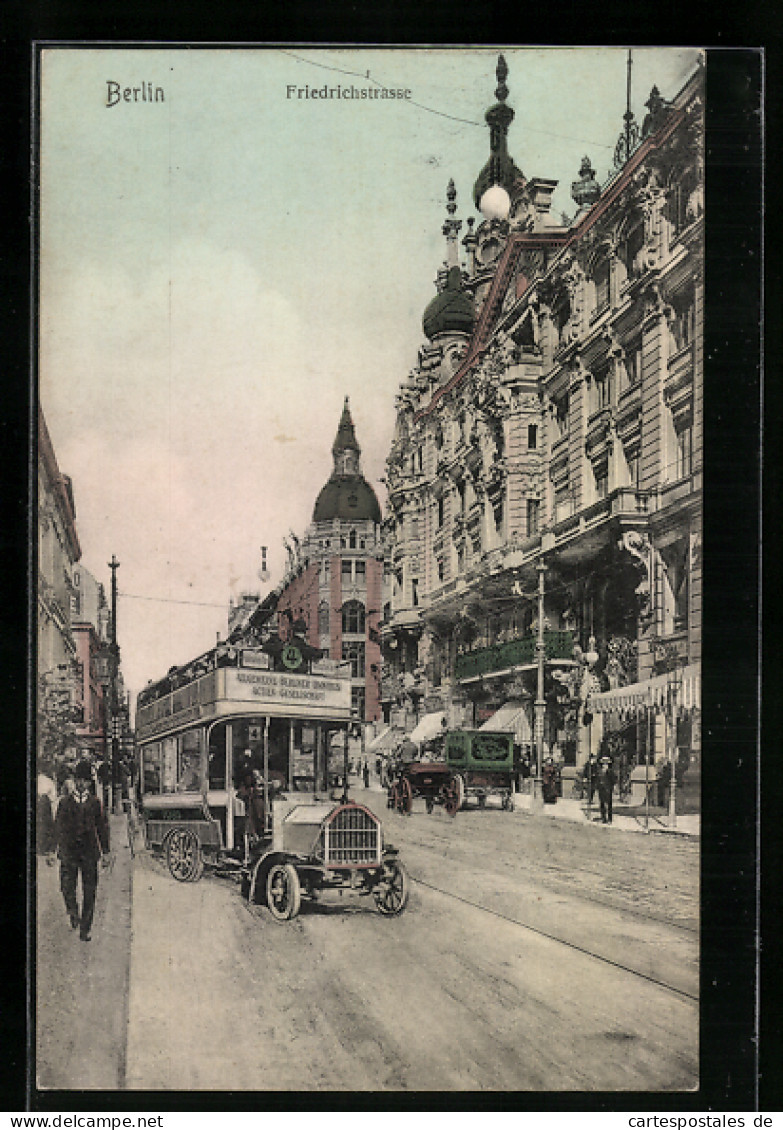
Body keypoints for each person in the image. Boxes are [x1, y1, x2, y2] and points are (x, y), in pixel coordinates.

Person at [54, 759, 110, 941]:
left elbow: (102, 827)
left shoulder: (95, 803)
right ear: (74, 780)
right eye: (78, 780)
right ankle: (73, 912)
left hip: (89, 852)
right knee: (66, 887)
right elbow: (57, 827)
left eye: (84, 781)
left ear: (89, 783)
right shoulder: (64, 803)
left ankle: (85, 928)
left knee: (90, 890)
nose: (80, 784)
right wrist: (52, 849)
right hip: (69, 852)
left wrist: (106, 852)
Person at [596, 754, 616, 824]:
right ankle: (603, 818)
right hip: (601, 789)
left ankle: (609, 819)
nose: (605, 765)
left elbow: (613, 780)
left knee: (609, 804)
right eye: (603, 764)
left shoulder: (610, 771)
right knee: (602, 803)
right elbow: (597, 779)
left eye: (606, 763)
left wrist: (612, 787)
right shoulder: (599, 771)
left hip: (608, 789)